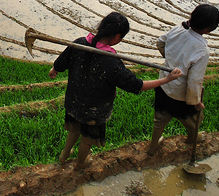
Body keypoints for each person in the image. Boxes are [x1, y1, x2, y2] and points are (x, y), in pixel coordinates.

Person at [49, 12, 183, 170]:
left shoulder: (79, 43)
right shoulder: (111, 63)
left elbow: (62, 61)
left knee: (74, 128)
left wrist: (54, 69)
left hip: (73, 101)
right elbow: (137, 85)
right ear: (117, 36)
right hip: (94, 110)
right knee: (87, 138)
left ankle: (64, 155)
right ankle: (81, 163)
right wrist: (166, 80)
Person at [147, 4, 219, 155]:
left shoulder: (178, 29)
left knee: (160, 119)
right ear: (208, 29)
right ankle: (193, 138)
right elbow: (194, 81)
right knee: (193, 120)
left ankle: (153, 146)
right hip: (180, 94)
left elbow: (161, 42)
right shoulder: (202, 50)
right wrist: (196, 102)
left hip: (164, 84)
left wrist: (170, 60)